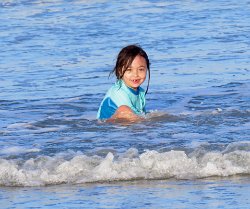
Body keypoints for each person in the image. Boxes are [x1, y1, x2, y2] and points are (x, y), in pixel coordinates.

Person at [97, 44, 150, 122]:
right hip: (106, 127)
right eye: (129, 70)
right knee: (124, 109)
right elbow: (132, 115)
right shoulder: (118, 91)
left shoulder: (140, 92)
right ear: (119, 70)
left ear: (147, 69)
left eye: (141, 69)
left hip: (122, 127)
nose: (135, 74)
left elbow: (141, 114)